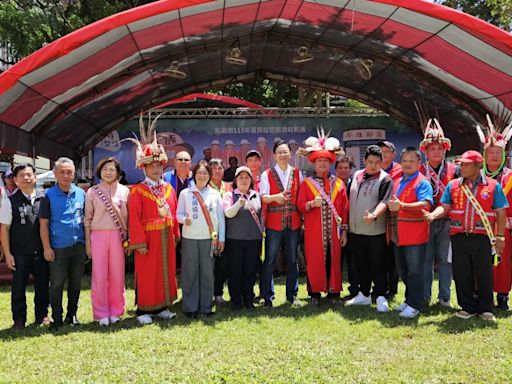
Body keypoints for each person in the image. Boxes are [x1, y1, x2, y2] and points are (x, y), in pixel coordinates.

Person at [424, 150, 507, 322]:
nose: (461, 167)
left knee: (484, 272)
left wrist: (500, 238)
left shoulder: (492, 186)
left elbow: (500, 212)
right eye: (461, 163)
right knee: (461, 272)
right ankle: (466, 307)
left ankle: (485, 308)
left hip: (483, 237)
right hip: (459, 235)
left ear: (478, 166)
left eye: (466, 164)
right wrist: (433, 215)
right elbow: (445, 206)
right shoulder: (453, 185)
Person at [127, 115, 179, 325]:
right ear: (144, 168)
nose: (156, 169)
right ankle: (142, 310)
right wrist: (138, 242)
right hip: (148, 238)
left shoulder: (168, 188)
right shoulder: (138, 191)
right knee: (148, 273)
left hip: (166, 237)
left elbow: (173, 214)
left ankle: (162, 306)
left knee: (165, 272)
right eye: (152, 166)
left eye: (159, 166)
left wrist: (175, 234)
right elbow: (134, 219)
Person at [297, 130, 348, 305]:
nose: (323, 163)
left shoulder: (339, 184)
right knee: (314, 260)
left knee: (334, 260)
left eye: (326, 160)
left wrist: (345, 232)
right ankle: (315, 293)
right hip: (314, 231)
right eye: (320, 161)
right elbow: (300, 205)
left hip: (335, 231)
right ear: (314, 162)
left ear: (330, 162)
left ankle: (334, 293)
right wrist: (311, 204)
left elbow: (344, 209)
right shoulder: (306, 183)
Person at [39, 157, 86, 332]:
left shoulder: (81, 193)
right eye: (62, 172)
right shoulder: (48, 196)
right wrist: (47, 247)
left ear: (74, 174)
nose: (66, 176)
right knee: (57, 283)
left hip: (78, 246)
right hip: (58, 247)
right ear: (55, 174)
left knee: (76, 282)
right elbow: (43, 224)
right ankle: (57, 318)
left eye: (69, 172)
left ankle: (71, 314)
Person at [0, 164, 50, 329]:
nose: (26, 178)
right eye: (22, 175)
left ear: (35, 178)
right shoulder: (9, 201)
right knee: (18, 287)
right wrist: (7, 254)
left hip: (41, 252)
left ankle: (42, 316)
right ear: (15, 179)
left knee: (43, 286)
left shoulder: (44, 199)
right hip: (19, 253)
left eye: (29, 175)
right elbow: (4, 229)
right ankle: (19, 320)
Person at [345, 145, 393, 312]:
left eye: (377, 162)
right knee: (361, 265)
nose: (373, 165)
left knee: (378, 265)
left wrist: (373, 215)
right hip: (356, 231)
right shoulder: (356, 176)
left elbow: (385, 202)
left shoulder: (385, 179)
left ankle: (381, 296)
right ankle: (364, 295)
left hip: (375, 232)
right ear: (364, 161)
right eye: (370, 162)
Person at [388, 147, 433, 318]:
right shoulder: (398, 180)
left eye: (411, 161)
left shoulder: (422, 182)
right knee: (403, 269)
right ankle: (408, 300)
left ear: (419, 163)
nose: (407, 164)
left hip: (415, 234)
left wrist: (403, 206)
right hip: (399, 234)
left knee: (415, 271)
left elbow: (425, 205)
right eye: (404, 161)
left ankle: (416, 304)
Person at [177, 161, 225, 318]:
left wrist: (221, 239)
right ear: (194, 174)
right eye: (199, 172)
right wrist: (185, 220)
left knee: (207, 273)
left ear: (209, 176)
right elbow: (178, 214)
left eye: (205, 173)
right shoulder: (185, 193)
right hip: (190, 238)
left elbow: (220, 218)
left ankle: (206, 306)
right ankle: (190, 307)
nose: (202, 176)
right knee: (190, 272)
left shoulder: (215, 194)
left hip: (208, 239)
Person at [84, 157, 129, 326]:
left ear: (118, 172)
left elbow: (129, 218)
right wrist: (88, 243)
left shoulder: (125, 191)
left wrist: (128, 238)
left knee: (117, 275)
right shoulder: (93, 192)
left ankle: (117, 310)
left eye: (112, 169)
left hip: (119, 237)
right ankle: (101, 313)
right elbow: (87, 219)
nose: (108, 172)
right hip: (98, 235)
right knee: (99, 275)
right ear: (99, 172)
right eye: (105, 169)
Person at [419, 118, 456, 308]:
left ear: (445, 149)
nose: (436, 151)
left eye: (440, 148)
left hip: (447, 221)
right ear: (425, 150)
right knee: (425, 260)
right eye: (432, 148)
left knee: (445, 260)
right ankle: (425, 296)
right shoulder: (418, 170)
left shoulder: (455, 170)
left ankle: (444, 297)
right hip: (424, 221)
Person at [260, 140, 303, 307]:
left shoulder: (298, 173)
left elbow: (300, 197)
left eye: (286, 152)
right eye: (280, 152)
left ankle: (292, 295)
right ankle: (268, 297)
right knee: (269, 260)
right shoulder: (267, 174)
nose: (283, 155)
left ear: (290, 154)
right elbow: (263, 196)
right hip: (274, 223)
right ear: (274, 156)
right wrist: (275, 198)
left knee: (292, 260)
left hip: (293, 222)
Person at [476, 115, 512, 310]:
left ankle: (503, 296)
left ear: (504, 154)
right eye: (490, 152)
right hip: (479, 226)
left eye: (498, 152)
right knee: (479, 262)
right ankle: (479, 295)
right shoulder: (475, 176)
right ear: (484, 153)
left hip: (502, 227)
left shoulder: (510, 177)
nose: (494, 156)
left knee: (502, 263)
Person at [223, 166, 263, 311]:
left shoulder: (256, 195)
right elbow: (228, 213)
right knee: (235, 271)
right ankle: (236, 301)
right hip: (235, 240)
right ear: (235, 180)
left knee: (250, 271)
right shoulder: (230, 195)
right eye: (241, 177)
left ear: (251, 180)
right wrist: (238, 203)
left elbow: (261, 215)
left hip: (253, 240)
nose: (244, 180)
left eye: (247, 178)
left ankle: (248, 300)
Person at [378, 140, 402, 300]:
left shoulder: (401, 171)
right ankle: (379, 287)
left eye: (387, 151)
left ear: (393, 153)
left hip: (395, 220)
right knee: (379, 255)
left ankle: (392, 289)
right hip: (378, 219)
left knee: (394, 256)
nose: (384, 154)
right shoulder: (373, 170)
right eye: (381, 151)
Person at [209, 158, 232, 305]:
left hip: (229, 231)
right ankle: (206, 293)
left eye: (220, 168)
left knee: (223, 265)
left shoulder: (229, 187)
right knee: (209, 265)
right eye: (214, 168)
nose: (217, 171)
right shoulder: (205, 187)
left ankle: (218, 293)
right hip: (210, 231)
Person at [335, 155, 358, 299]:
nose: (343, 170)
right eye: (340, 168)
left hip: (354, 228)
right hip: (335, 229)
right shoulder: (332, 184)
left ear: (350, 169)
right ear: (335, 169)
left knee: (353, 261)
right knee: (336, 260)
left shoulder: (356, 184)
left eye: (346, 168)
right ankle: (334, 290)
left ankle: (354, 290)